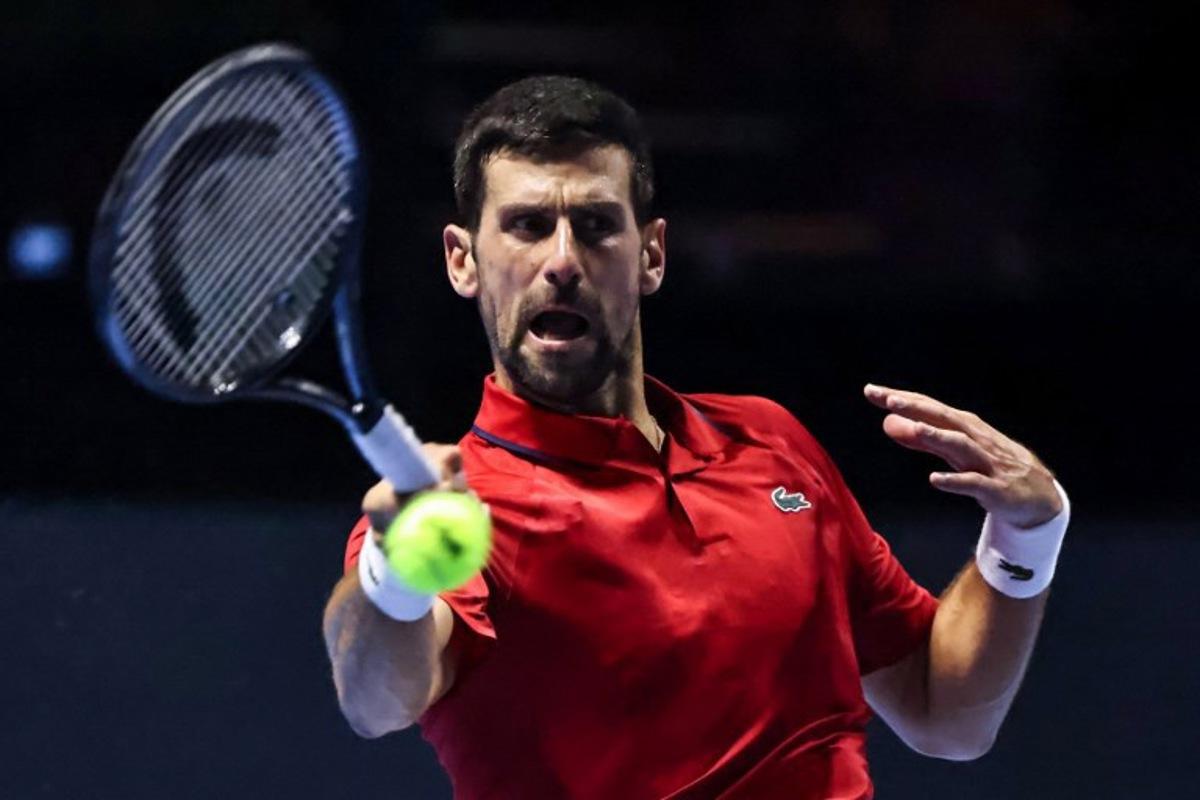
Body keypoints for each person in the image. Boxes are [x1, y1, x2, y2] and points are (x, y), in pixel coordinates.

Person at [321, 76, 1070, 800]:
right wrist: (396, 570)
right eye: (527, 226)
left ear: (651, 255)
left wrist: (1028, 532)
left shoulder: (771, 443)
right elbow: (375, 702)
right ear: (463, 260)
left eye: (596, 225)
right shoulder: (460, 511)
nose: (562, 261)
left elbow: (944, 711)